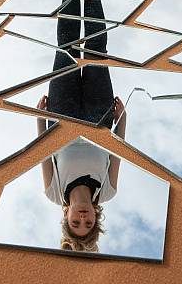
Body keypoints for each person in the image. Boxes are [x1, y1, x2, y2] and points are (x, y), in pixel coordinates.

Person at [37, 98, 127, 252]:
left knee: (62, 72)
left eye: (76, 223)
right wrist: (122, 119)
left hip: (60, 119)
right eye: (88, 224)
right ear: (96, 218)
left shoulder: (53, 193)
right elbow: (117, 150)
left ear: (66, 216)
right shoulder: (108, 191)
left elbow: (43, 152)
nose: (83, 218)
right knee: (98, 72)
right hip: (100, 119)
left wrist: (40, 119)